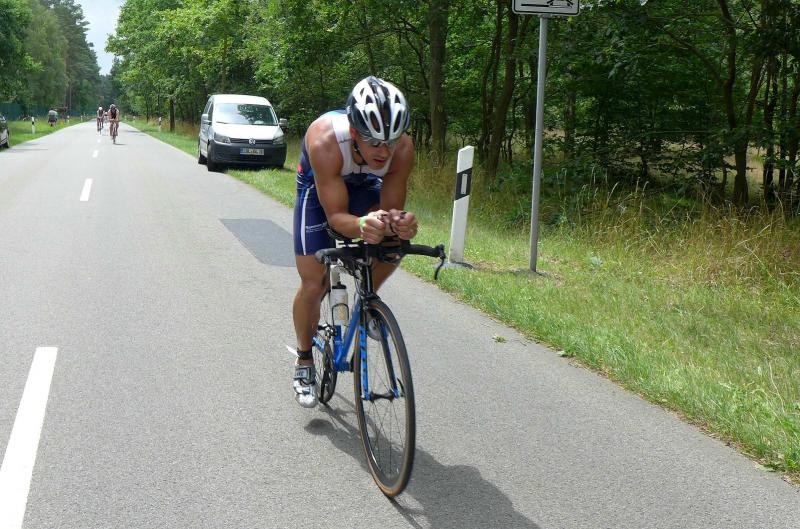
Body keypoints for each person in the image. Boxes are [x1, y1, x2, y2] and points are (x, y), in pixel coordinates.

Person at [291, 76, 419, 408]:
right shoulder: (324, 140)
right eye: (374, 142)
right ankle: (304, 360)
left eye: (391, 141)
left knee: (392, 240)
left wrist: (398, 224)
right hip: (319, 189)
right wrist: (362, 225)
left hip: (365, 184)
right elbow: (336, 216)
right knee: (313, 283)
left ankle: (367, 303)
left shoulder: (402, 150)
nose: (384, 151)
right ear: (353, 131)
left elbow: (390, 210)